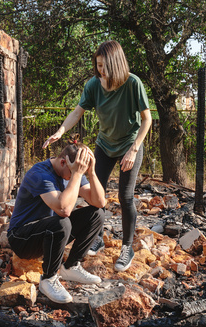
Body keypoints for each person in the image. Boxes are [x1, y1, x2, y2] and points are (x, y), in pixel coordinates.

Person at [42, 40, 152, 272]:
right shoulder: (93, 85)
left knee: (125, 196)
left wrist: (133, 150)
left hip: (130, 145)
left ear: (116, 63)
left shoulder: (133, 83)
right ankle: (97, 237)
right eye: (98, 66)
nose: (101, 71)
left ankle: (127, 247)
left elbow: (147, 120)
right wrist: (60, 131)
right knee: (94, 194)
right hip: (104, 144)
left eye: (105, 66)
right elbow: (77, 111)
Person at [8, 139, 106, 304]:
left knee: (97, 214)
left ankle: (71, 267)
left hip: (49, 236)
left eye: (81, 171)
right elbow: (63, 209)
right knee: (62, 221)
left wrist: (92, 173)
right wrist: (76, 174)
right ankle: (48, 279)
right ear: (63, 162)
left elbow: (99, 202)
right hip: (22, 239)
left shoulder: (72, 171)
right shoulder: (39, 173)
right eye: (77, 170)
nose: (77, 175)